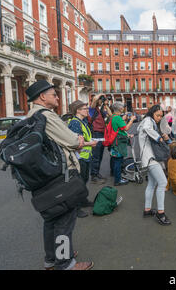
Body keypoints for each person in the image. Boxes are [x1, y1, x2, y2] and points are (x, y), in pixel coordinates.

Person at [26, 80, 93, 270]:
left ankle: (51, 259)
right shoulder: (47, 116)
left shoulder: (30, 116)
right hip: (59, 177)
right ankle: (65, 263)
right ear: (42, 97)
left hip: (42, 177)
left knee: (51, 220)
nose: (57, 97)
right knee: (64, 220)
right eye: (54, 94)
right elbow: (73, 141)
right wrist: (78, 139)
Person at [138, 105, 171, 225]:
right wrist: (159, 138)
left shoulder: (149, 121)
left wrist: (163, 137)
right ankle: (160, 213)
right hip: (151, 158)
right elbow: (148, 129)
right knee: (163, 183)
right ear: (152, 113)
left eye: (161, 116)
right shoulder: (147, 121)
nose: (159, 118)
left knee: (152, 184)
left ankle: (147, 210)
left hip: (149, 158)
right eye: (157, 115)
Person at [67, 100, 99, 218]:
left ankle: (83, 201)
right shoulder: (75, 123)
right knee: (78, 183)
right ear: (78, 110)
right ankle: (76, 208)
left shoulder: (82, 121)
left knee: (84, 180)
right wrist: (90, 144)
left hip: (84, 157)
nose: (87, 110)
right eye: (85, 108)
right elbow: (75, 143)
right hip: (79, 158)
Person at [109, 102, 136, 186]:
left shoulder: (113, 117)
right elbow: (126, 128)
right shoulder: (117, 118)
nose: (123, 109)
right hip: (118, 143)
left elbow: (119, 129)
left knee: (115, 160)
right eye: (122, 107)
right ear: (120, 109)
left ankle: (117, 177)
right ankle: (118, 180)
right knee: (118, 161)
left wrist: (127, 135)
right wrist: (131, 120)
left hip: (114, 141)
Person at [89, 94, 112, 184]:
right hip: (96, 134)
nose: (101, 101)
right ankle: (94, 176)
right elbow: (94, 99)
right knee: (95, 156)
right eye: (100, 99)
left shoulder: (99, 110)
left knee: (100, 156)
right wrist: (101, 95)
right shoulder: (91, 109)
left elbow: (110, 115)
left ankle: (96, 173)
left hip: (102, 134)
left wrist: (105, 104)